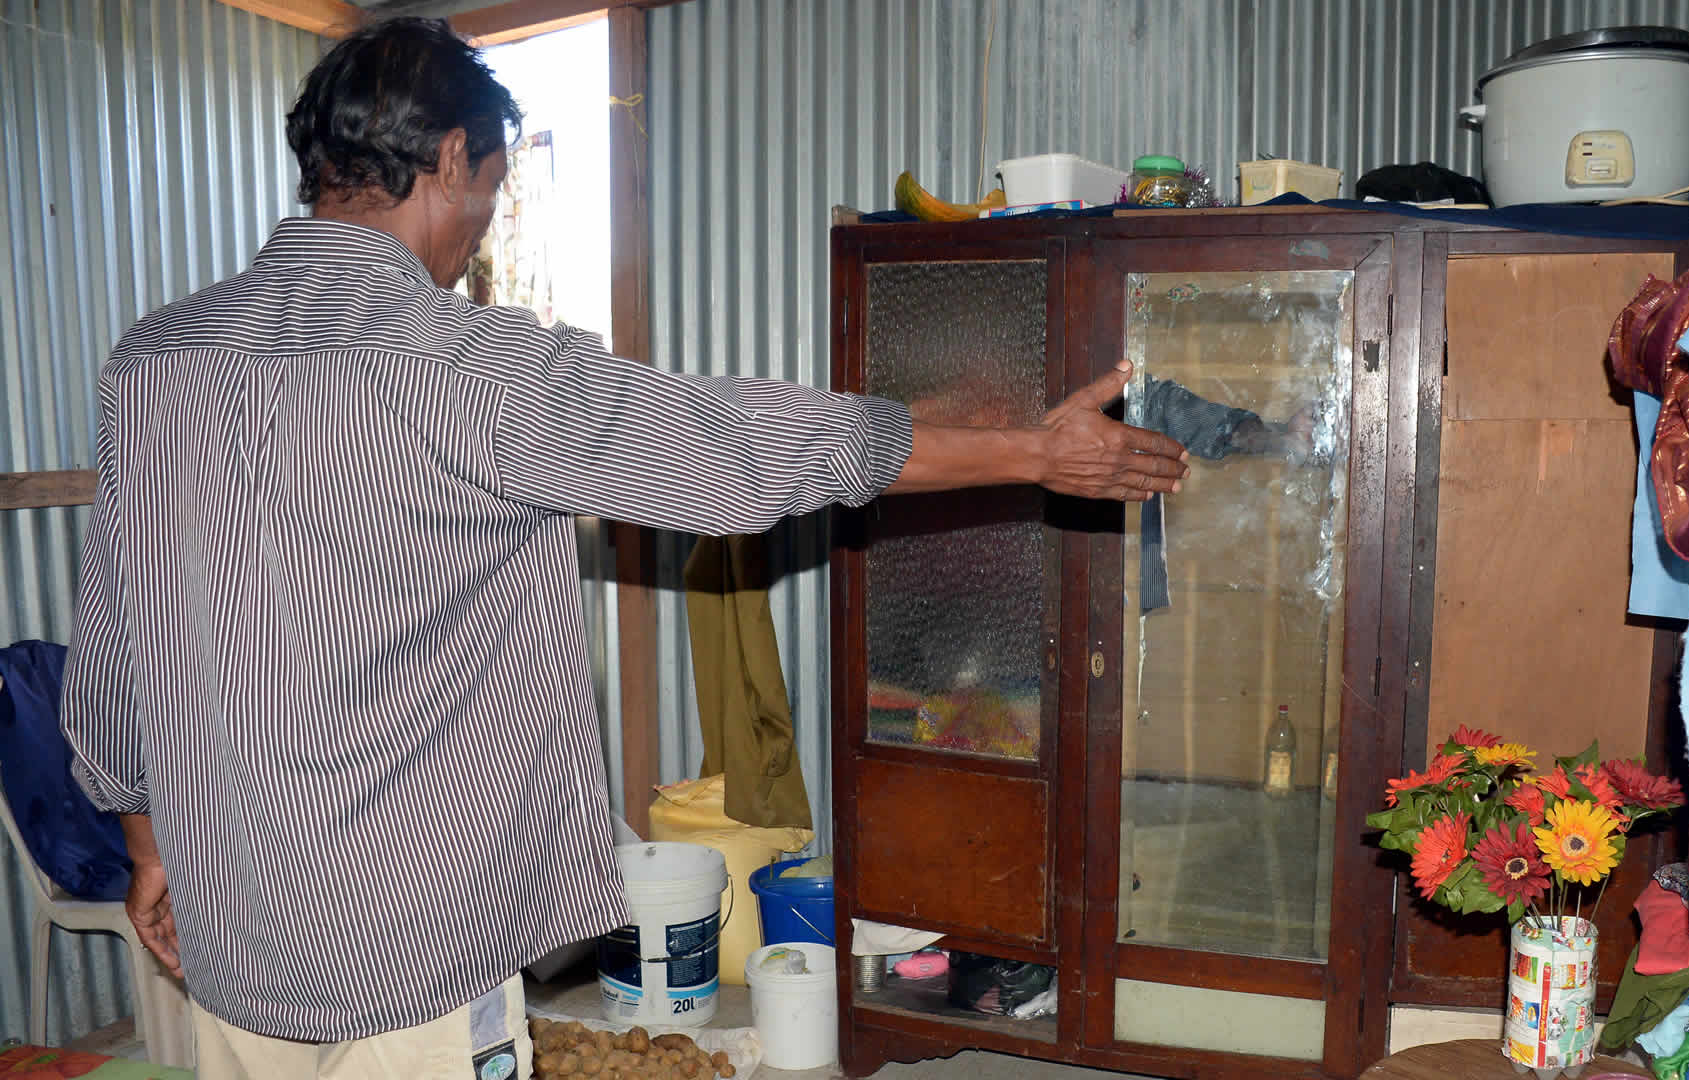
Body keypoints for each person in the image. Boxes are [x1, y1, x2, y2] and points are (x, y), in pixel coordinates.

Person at [57, 16, 1187, 1080]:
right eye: (490, 191)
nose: (478, 228)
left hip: (230, 923)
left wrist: (146, 842)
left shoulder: (153, 362)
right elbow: (734, 445)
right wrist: (1032, 453)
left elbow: (112, 636)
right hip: (403, 946)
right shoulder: (467, 367)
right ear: (450, 159)